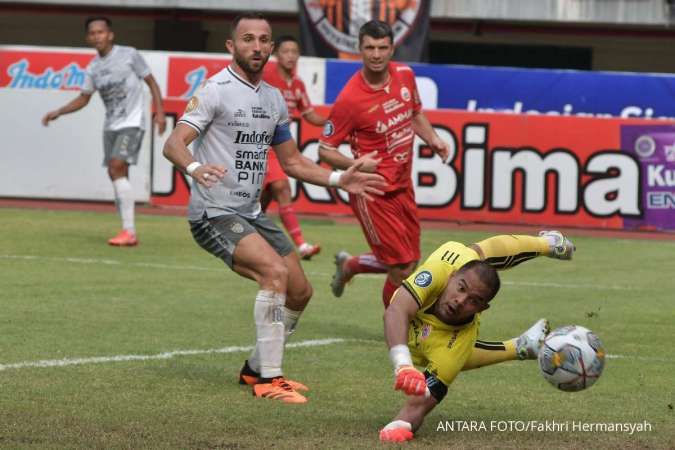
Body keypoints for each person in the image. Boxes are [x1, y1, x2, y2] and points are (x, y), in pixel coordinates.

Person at [162, 13, 385, 404]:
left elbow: (295, 162)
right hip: (214, 213)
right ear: (232, 46)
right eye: (247, 39)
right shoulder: (215, 90)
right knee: (275, 273)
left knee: (300, 292)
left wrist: (340, 179)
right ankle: (271, 378)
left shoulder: (273, 99)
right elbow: (173, 143)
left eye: (263, 40)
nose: (257, 46)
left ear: (271, 48)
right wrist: (196, 168)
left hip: (250, 213)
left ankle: (253, 368)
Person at [378, 231, 576, 442]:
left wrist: (400, 425)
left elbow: (417, 407)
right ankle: (548, 243)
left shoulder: (455, 348)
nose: (461, 301)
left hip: (449, 338)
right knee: (479, 253)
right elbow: (396, 310)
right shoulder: (439, 271)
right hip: (447, 272)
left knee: (454, 355)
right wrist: (403, 365)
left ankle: (521, 346)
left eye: (473, 301)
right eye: (460, 289)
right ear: (452, 277)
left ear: (482, 308)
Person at [318, 20, 450, 307]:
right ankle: (396, 326)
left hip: (402, 185)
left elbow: (414, 113)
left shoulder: (405, 75)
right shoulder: (350, 99)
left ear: (392, 48)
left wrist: (433, 139)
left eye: (382, 48)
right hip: (372, 191)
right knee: (401, 268)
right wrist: (356, 163)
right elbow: (325, 150)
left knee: (410, 261)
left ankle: (352, 265)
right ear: (360, 50)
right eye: (369, 48)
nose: (376, 55)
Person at [42, 16, 166, 246]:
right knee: (116, 174)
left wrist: (159, 112)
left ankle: (129, 232)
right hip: (111, 126)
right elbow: (84, 98)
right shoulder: (93, 68)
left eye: (101, 32)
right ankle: (127, 230)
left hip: (132, 121)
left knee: (116, 167)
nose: (97, 36)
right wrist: (59, 111)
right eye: (93, 33)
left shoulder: (129, 54)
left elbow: (152, 82)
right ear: (88, 38)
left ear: (110, 34)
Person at [261, 35, 327, 260]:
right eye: (286, 51)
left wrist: (333, 119)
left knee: (263, 199)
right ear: (277, 55)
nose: (290, 55)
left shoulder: (297, 84)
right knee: (282, 187)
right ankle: (301, 245)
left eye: (294, 51)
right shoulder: (265, 76)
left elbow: (310, 115)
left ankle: (245, 240)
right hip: (261, 144)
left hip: (279, 147)